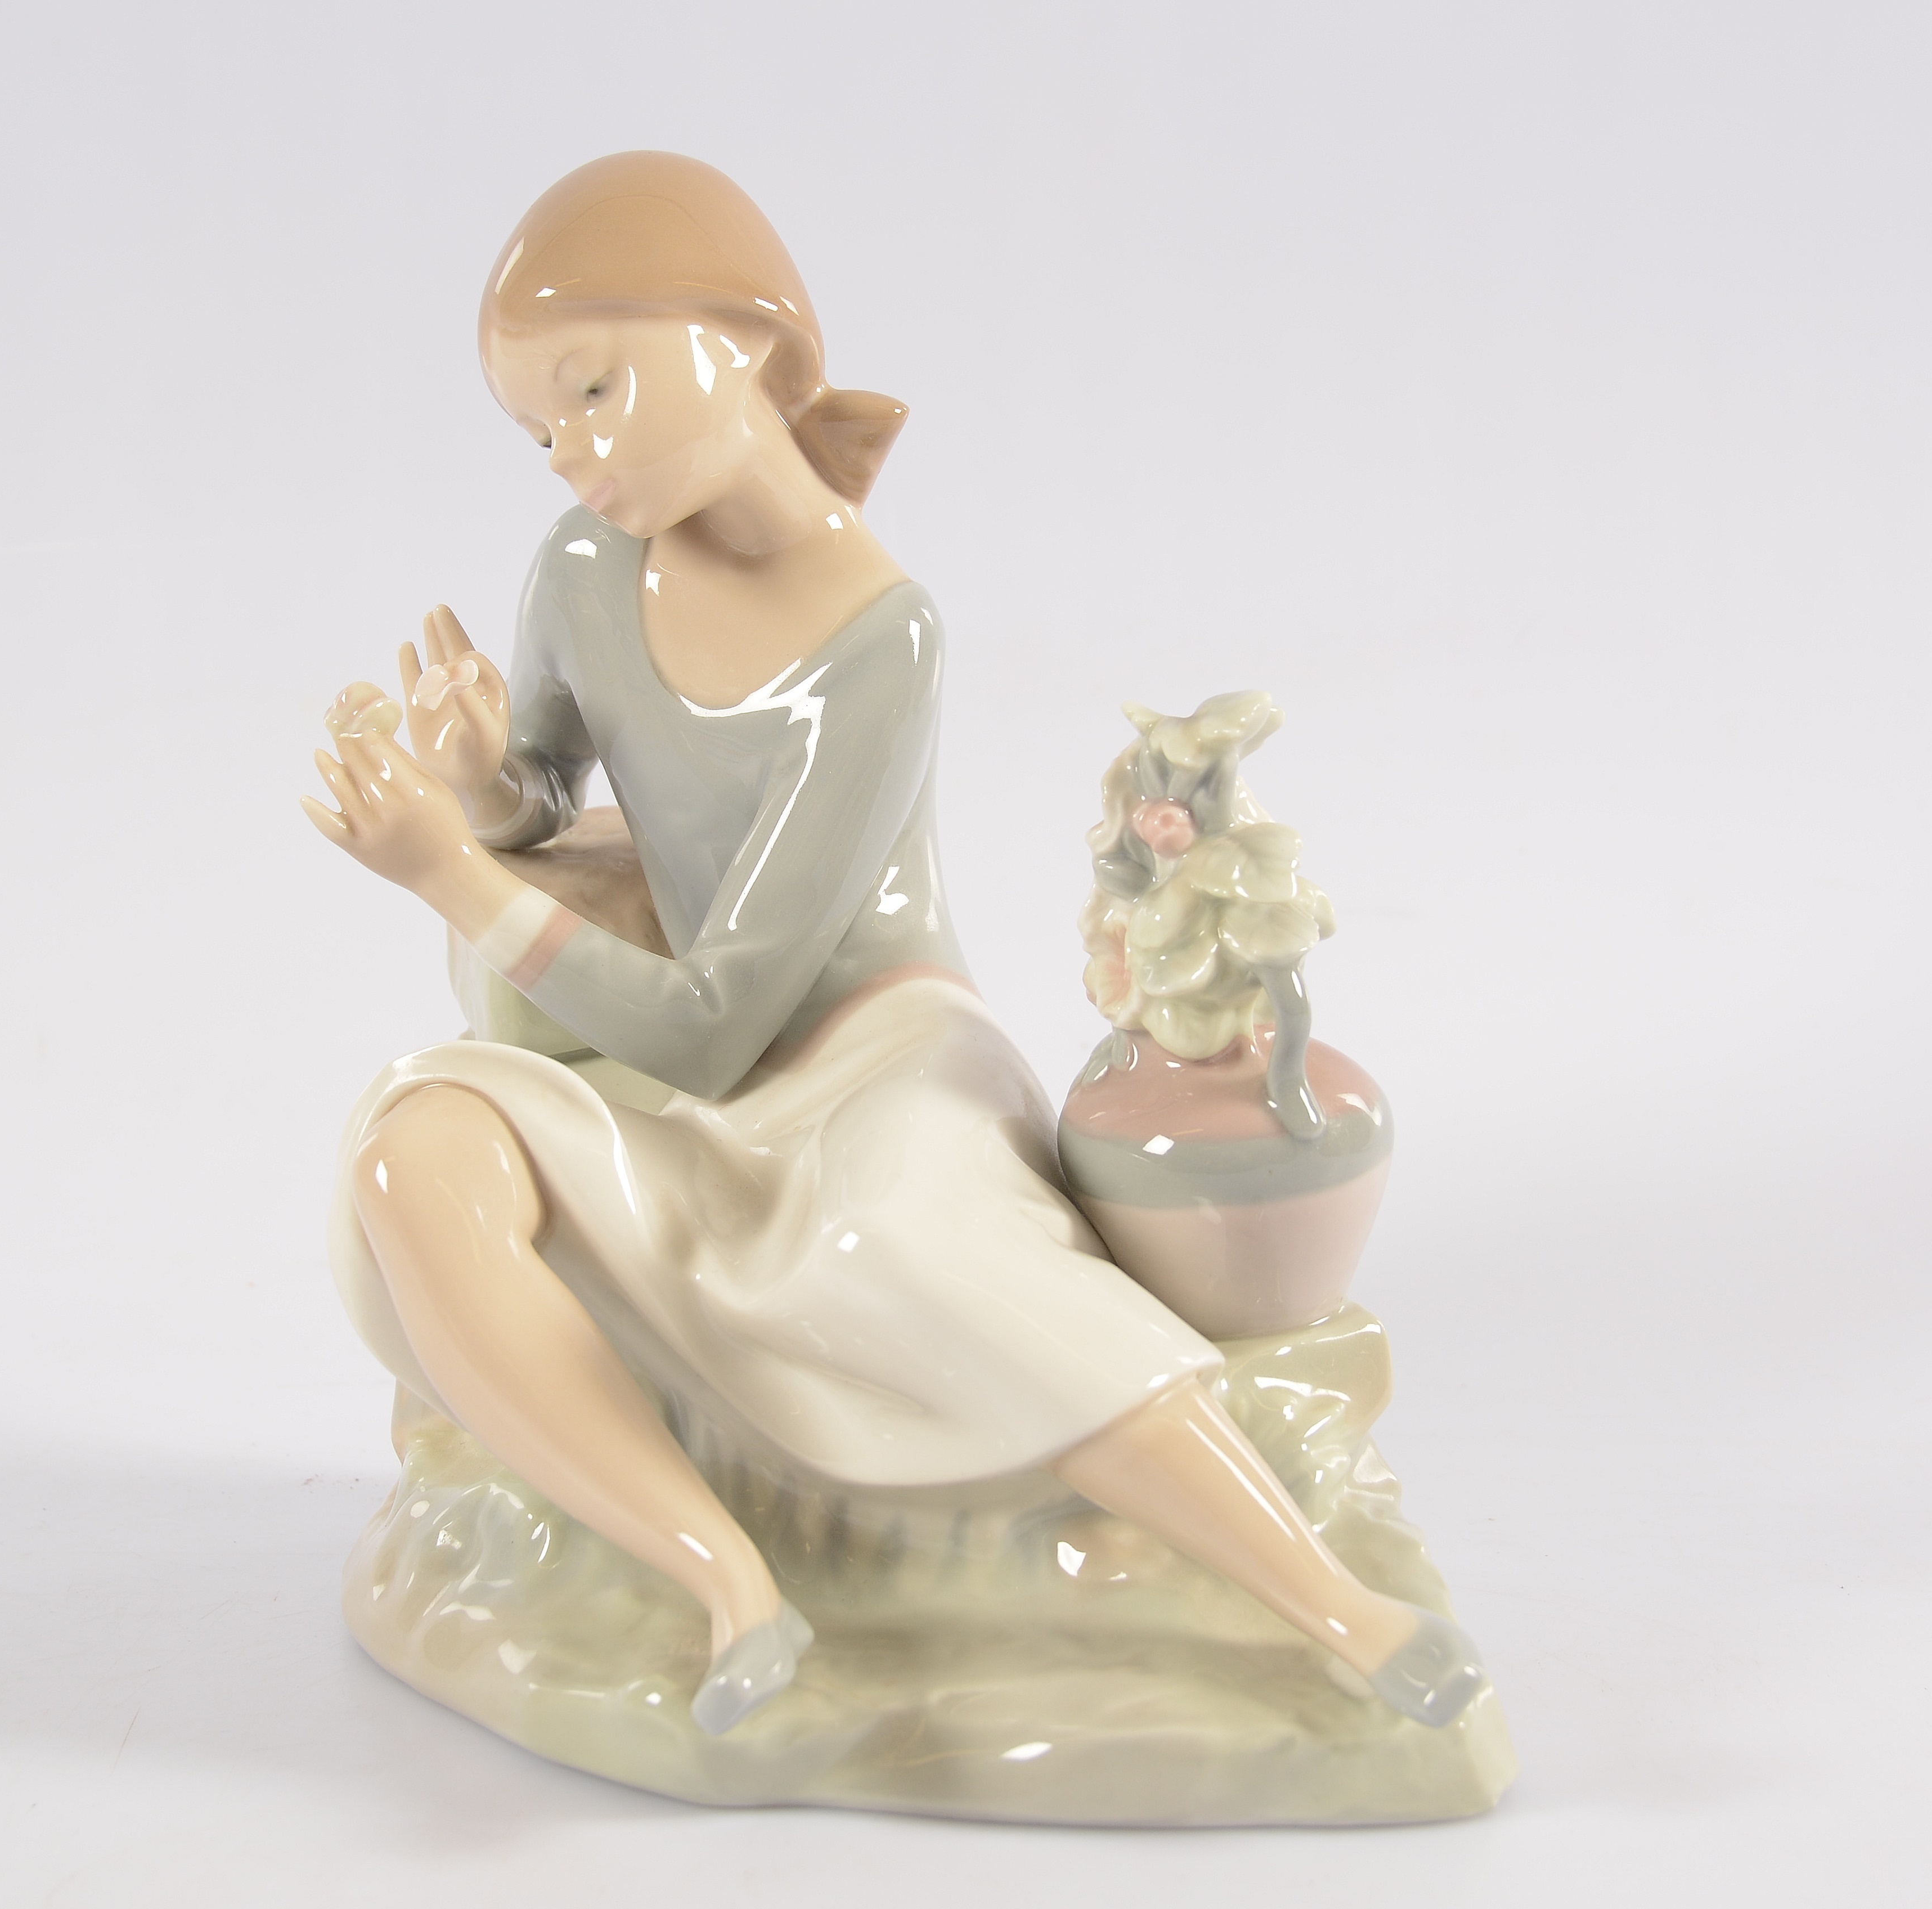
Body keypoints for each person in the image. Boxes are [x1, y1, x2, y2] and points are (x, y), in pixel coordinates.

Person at [304, 152, 1486, 1737]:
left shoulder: (877, 635)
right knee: (413, 1154)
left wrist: (452, 878)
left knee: (896, 1243)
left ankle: (1336, 1606)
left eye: (595, 389)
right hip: (656, 1044)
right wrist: (482, 789)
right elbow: (548, 798)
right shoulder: (583, 571)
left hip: (866, 1045)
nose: (572, 452)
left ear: (748, 340)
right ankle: (723, 1578)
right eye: (538, 430)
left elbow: (727, 1016)